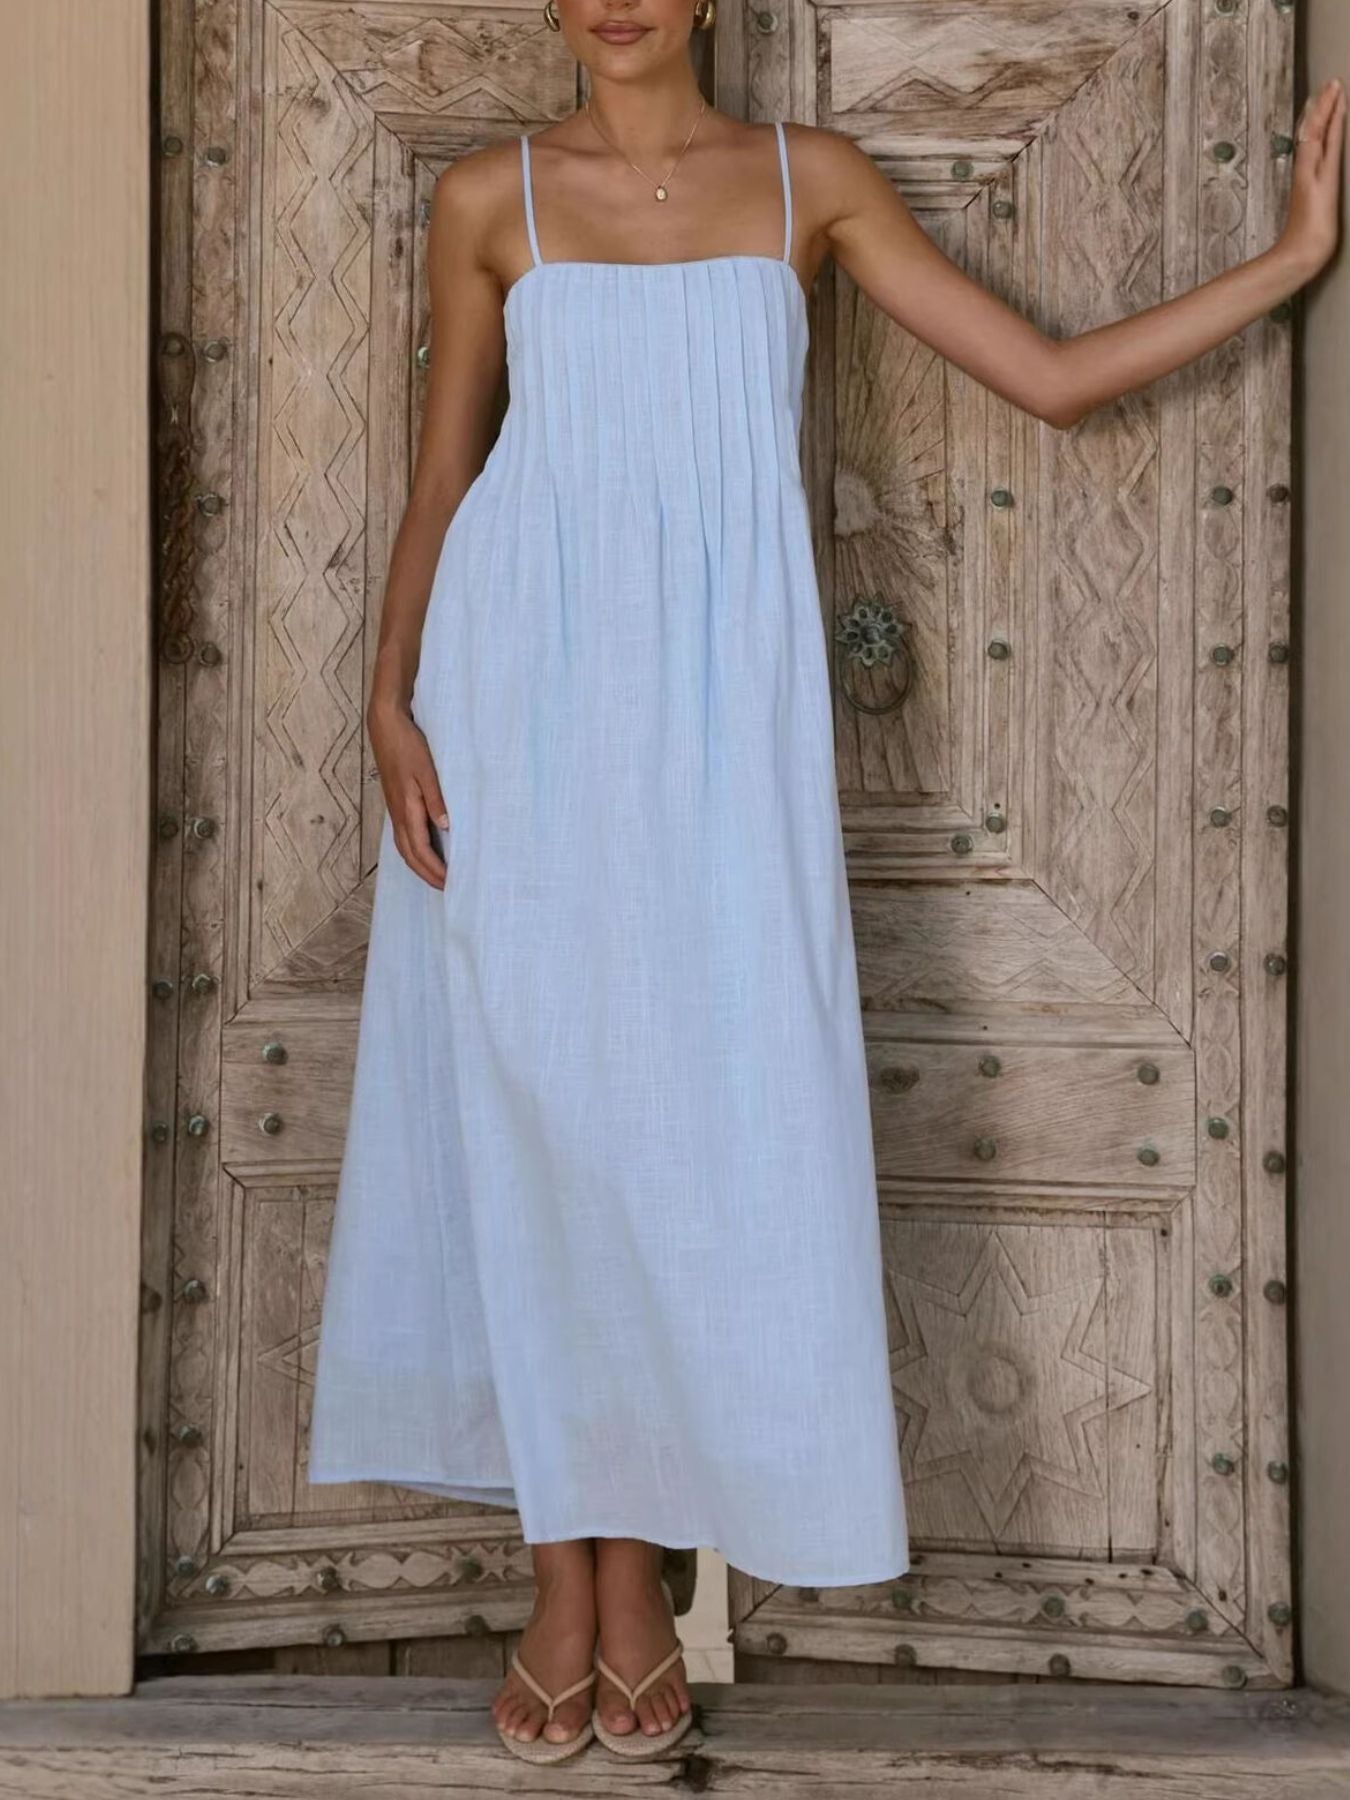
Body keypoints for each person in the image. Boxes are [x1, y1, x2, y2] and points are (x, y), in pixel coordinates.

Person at [307, 0, 1344, 1762]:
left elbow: (1050, 373)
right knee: (538, 1128)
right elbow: (443, 471)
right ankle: (575, 1587)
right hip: (518, 709)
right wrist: (388, 695)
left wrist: (1296, 254)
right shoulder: (492, 197)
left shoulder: (811, 182)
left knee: (687, 1133)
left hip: (720, 735)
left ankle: (643, 1587)